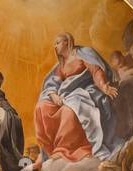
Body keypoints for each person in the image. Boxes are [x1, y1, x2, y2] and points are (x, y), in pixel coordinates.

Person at [34, 33, 124, 162]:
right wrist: (53, 96)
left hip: (87, 91)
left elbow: (96, 71)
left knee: (69, 110)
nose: (55, 46)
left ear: (67, 41)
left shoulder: (83, 53)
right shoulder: (61, 64)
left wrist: (104, 86)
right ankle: (50, 149)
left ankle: (65, 149)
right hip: (65, 95)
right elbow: (52, 83)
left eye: (58, 42)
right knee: (41, 107)